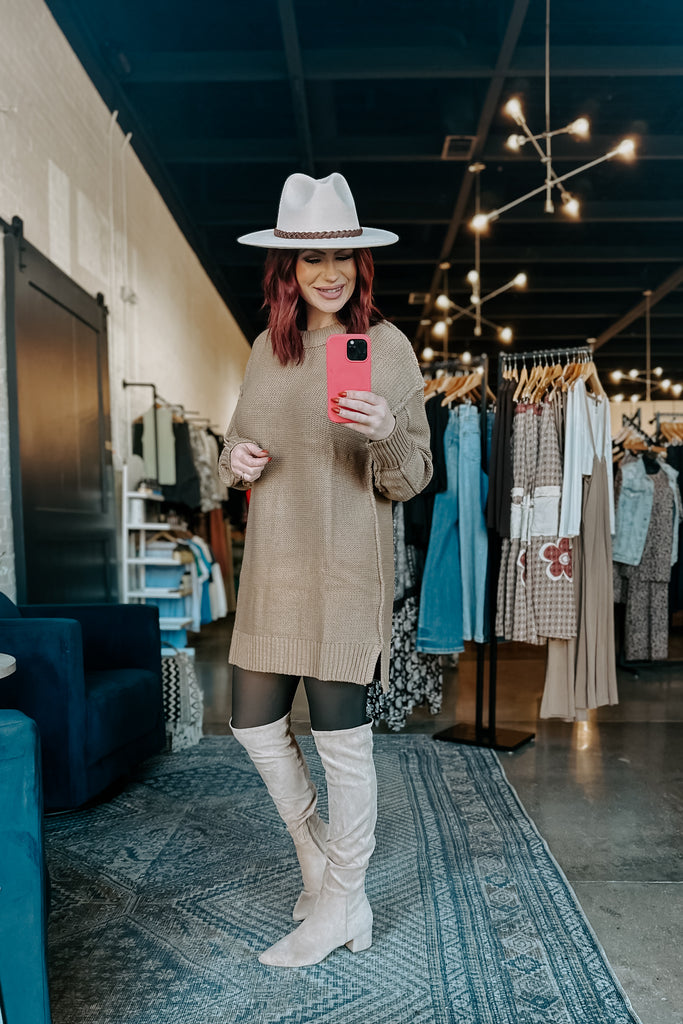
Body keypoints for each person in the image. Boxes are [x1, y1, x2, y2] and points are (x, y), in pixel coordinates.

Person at [218, 172, 432, 968]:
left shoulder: (387, 347)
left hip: (346, 568)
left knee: (343, 743)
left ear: (360, 264)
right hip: (274, 563)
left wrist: (382, 430)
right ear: (288, 270)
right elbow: (242, 454)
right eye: (312, 258)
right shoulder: (262, 353)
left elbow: (410, 477)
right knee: (251, 721)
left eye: (341, 256)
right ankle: (319, 863)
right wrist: (234, 461)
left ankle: (342, 902)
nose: (329, 271)